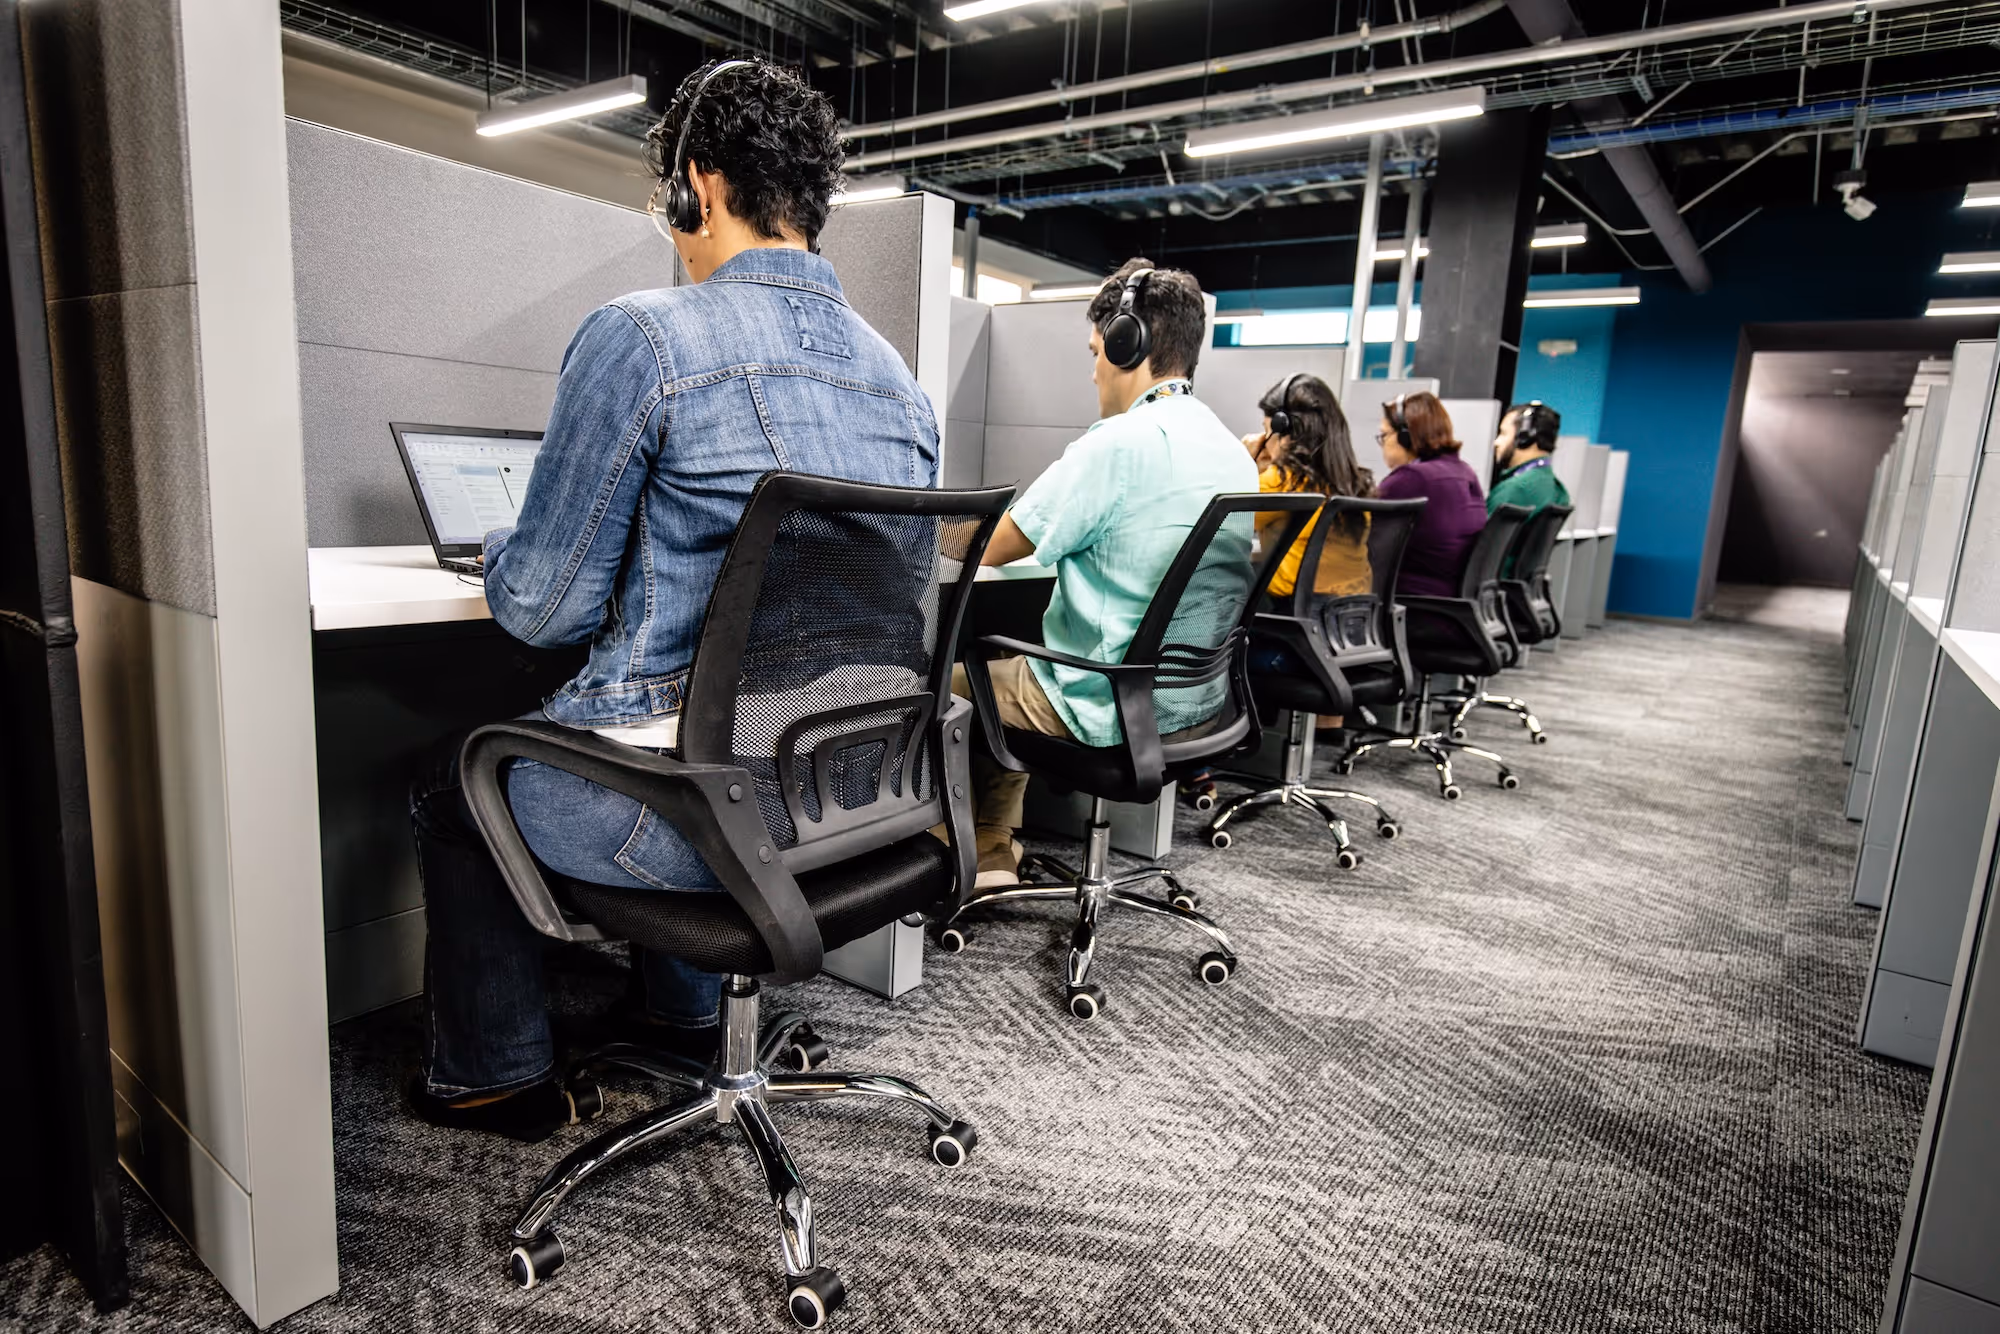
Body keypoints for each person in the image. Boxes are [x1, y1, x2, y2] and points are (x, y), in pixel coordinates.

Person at [405, 58, 941, 1141]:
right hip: (850, 798)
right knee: (698, 721)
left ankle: (493, 1073)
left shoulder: (643, 336)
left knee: (456, 775)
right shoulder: (901, 383)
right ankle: (685, 1015)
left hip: (692, 828)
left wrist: (510, 540)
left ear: (697, 182)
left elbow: (541, 611)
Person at [959, 257, 1258, 888]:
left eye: (1096, 350)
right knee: (1024, 655)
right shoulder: (1233, 453)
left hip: (1100, 702)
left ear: (1129, 343)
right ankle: (992, 842)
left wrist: (908, 524)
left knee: (945, 682)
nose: (1093, 368)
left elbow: (993, 545)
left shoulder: (1118, 444)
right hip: (1189, 702)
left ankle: (959, 847)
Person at [1245, 373, 1375, 600]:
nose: (1265, 440)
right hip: (1353, 619)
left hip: (1290, 620)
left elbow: (1220, 524)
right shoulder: (1352, 482)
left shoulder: (1282, 481)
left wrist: (1246, 463)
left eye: (1267, 430)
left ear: (1284, 431)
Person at [1371, 391, 1486, 598]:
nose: (1383, 445)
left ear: (1406, 437)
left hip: (1413, 605)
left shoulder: (1412, 479)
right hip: (1451, 603)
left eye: (1384, 435)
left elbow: (1364, 542)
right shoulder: (1464, 472)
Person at [1488, 400, 1572, 518]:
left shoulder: (1513, 489)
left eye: (1503, 433)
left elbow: (1485, 536)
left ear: (1524, 437)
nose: (1496, 442)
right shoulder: (1558, 491)